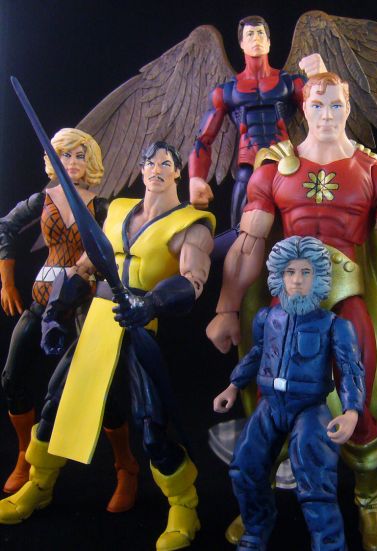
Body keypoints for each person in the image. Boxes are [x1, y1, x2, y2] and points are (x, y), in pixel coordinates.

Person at [207, 71, 377, 551]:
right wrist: (226, 308)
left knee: (359, 400)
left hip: (347, 301)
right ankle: (258, 503)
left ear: (348, 108)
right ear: (302, 108)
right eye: (317, 104)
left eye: (335, 105)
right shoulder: (274, 170)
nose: (326, 114)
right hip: (288, 305)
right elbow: (247, 245)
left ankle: (367, 503)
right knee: (270, 402)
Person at [0, 141, 215, 551]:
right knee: (57, 405)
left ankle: (183, 504)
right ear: (141, 168)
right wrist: (55, 312)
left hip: (139, 324)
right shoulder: (117, 210)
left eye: (165, 163)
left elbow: (192, 281)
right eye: (149, 162)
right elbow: (84, 268)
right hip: (97, 318)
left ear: (177, 172)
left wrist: (151, 303)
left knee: (151, 423)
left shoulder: (191, 224)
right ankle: (39, 485)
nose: (156, 169)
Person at [0, 127, 138, 511]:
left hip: (81, 304)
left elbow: (121, 248)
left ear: (90, 161)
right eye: (65, 155)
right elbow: (6, 227)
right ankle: (25, 455)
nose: (72, 163)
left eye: (80, 155)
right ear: (54, 160)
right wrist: (6, 282)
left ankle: (125, 466)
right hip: (41, 299)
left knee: (101, 389)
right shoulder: (42, 200)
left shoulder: (102, 207)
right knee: (12, 377)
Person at [214, 235, 365, 551]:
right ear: (279, 276)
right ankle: (256, 528)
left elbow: (351, 370)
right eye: (290, 272)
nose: (296, 280)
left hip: (309, 407)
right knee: (244, 466)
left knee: (315, 480)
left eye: (305, 272)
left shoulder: (334, 326)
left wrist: (351, 411)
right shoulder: (267, 318)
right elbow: (257, 353)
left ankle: (329, 544)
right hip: (271, 405)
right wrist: (234, 385)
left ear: (318, 277)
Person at [188, 14, 325, 223]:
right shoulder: (227, 91)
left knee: (302, 227)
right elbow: (204, 139)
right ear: (241, 44)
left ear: (269, 42)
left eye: (261, 33)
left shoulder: (290, 83)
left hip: (287, 166)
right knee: (239, 230)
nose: (256, 38)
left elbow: (326, 115)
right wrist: (196, 178)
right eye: (250, 34)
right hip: (248, 170)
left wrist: (322, 77)